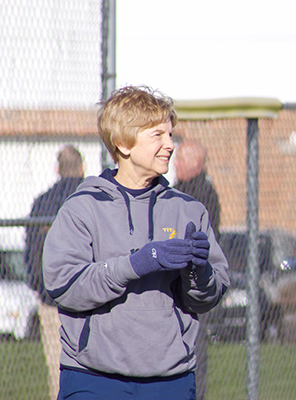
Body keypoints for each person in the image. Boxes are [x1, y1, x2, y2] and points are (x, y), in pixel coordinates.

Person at [42, 85, 229, 400]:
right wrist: (136, 264)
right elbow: (63, 285)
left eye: (171, 134)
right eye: (158, 135)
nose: (170, 145)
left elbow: (207, 298)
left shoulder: (189, 209)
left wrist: (199, 272)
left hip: (171, 381)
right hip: (93, 379)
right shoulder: (83, 206)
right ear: (123, 144)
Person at [25, 144, 84, 400]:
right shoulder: (92, 197)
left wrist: (38, 286)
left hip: (52, 297)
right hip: (88, 296)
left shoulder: (42, 202)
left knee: (56, 365)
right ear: (82, 168)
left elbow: (32, 251)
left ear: (57, 169)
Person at [174, 140, 222, 400]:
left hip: (192, 287)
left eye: (180, 160)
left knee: (193, 347)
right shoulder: (178, 190)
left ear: (194, 163)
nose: (175, 164)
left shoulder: (200, 195)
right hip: (175, 286)